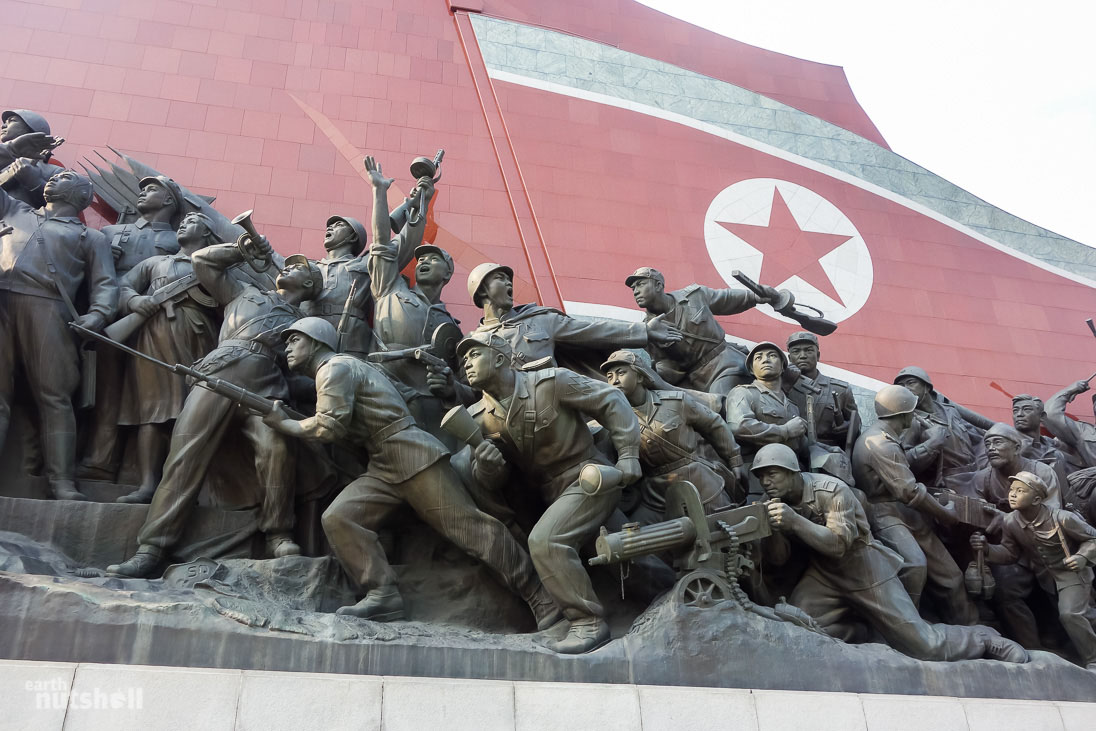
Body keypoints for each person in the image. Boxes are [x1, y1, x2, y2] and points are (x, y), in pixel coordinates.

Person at [260, 317, 560, 627]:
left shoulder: (333, 368)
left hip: (410, 453)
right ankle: (382, 595)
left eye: (295, 340)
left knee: (471, 529)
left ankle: (539, 595)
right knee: (341, 518)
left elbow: (328, 426)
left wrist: (285, 423)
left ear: (317, 341)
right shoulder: (337, 370)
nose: (288, 347)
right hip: (383, 462)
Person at [106, 239, 322, 578]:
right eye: (289, 264)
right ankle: (152, 546)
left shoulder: (308, 325)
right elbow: (202, 261)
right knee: (185, 454)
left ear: (310, 285)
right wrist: (242, 249)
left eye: (300, 267)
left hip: (268, 386)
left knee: (277, 448)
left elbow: (308, 373)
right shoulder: (245, 292)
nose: (289, 267)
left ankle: (278, 533)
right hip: (219, 372)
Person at [755, 443, 1027, 664]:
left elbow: (839, 545)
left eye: (772, 473)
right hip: (824, 575)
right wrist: (773, 529)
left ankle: (985, 638)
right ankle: (876, 630)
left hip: (864, 568)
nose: (766, 481)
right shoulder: (775, 504)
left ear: (792, 471)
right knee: (801, 627)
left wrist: (794, 522)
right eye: (761, 476)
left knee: (925, 646)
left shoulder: (831, 490)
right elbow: (779, 559)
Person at [461, 332, 642, 653]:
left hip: (590, 478)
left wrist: (628, 454)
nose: (466, 363)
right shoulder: (479, 418)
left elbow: (611, 400)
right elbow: (495, 482)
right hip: (549, 495)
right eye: (464, 359)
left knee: (547, 542)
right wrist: (487, 467)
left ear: (500, 358)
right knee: (636, 565)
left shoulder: (550, 383)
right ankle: (679, 592)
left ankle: (587, 622)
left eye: (474, 354)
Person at [0, 169, 116, 501]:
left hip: (48, 307)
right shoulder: (15, 210)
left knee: (54, 396)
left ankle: (62, 482)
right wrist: (13, 165)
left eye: (64, 177)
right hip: (1, 300)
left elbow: (106, 285)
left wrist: (98, 315)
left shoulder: (90, 238)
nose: (52, 179)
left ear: (82, 196)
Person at [80, 175, 185, 481]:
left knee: (151, 396)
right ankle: (100, 459)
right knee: (107, 390)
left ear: (168, 200)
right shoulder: (111, 232)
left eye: (152, 189)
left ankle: (139, 472)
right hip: (114, 316)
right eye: (142, 188)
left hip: (158, 323)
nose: (143, 193)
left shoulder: (179, 241)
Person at [112, 212, 222, 503]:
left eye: (194, 221)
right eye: (183, 221)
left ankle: (186, 487)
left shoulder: (216, 266)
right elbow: (122, 286)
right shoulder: (155, 263)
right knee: (152, 409)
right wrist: (135, 300)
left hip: (199, 339)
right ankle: (148, 484)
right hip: (155, 335)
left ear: (208, 234)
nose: (184, 223)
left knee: (193, 411)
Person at [852, 384, 978, 625]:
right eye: (913, 410)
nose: (917, 414)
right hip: (885, 513)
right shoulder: (881, 443)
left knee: (951, 576)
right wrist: (946, 514)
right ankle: (908, 629)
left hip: (906, 513)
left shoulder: (887, 436)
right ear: (904, 414)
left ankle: (970, 628)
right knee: (914, 565)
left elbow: (902, 470)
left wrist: (931, 442)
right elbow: (910, 491)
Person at [365, 156, 462, 447]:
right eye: (420, 259)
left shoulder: (451, 328)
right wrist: (379, 192)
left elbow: (464, 384)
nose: (424, 262)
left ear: (448, 274)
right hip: (385, 402)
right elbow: (383, 241)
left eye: (433, 259)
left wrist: (449, 389)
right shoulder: (390, 288)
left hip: (435, 421)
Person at [971, 471, 1096, 670]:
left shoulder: (1063, 518)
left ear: (1037, 499)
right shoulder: (1011, 521)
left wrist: (1081, 557)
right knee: (1086, 615)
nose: (1012, 494)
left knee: (1070, 614)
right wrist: (987, 550)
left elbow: (1093, 538)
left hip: (1071, 574)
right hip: (1045, 577)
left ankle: (1093, 659)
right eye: (1011, 490)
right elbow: (1010, 553)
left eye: (1020, 491)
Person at [601, 349, 742, 523]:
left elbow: (714, 424)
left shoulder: (676, 402)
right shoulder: (613, 419)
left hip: (698, 483)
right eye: (609, 376)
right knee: (637, 539)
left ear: (639, 376)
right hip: (655, 495)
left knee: (727, 528)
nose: (614, 380)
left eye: (621, 373)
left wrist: (734, 459)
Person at [626, 267, 786, 396]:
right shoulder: (648, 330)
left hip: (725, 363)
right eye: (633, 288)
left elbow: (725, 299)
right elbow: (665, 365)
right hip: (696, 379)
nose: (635, 292)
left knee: (722, 404)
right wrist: (650, 374)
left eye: (640, 284)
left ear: (658, 285)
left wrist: (756, 296)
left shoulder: (694, 296)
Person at [726, 342, 809, 495]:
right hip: (758, 481)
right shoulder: (744, 393)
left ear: (783, 366)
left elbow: (799, 445)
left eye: (772, 356)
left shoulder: (792, 406)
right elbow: (739, 426)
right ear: (751, 369)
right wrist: (785, 431)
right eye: (759, 357)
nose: (765, 360)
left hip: (791, 481)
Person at [298, 213, 373, 358]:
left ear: (353, 237)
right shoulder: (308, 268)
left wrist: (415, 215)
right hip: (309, 334)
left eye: (339, 225)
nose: (331, 228)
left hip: (351, 339)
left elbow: (393, 246)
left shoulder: (363, 263)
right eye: (330, 226)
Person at [784, 331, 858, 449]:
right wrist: (785, 385)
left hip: (829, 452)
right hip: (792, 451)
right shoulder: (780, 387)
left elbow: (856, 424)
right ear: (789, 358)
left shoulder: (840, 389)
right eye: (796, 351)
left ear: (818, 356)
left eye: (809, 350)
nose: (802, 355)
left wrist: (847, 427)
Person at [0, 109, 61, 207]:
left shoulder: (55, 172)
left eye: (12, 121)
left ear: (31, 129)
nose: (3, 126)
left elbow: (63, 206)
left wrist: (35, 182)